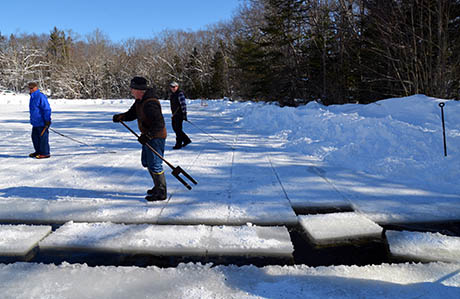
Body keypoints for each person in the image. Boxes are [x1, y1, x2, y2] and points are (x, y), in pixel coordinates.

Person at [112, 76, 168, 201]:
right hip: (148, 136)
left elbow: (159, 123)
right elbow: (132, 114)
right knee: (147, 162)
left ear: (139, 90)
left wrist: (148, 136)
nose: (131, 91)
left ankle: (161, 192)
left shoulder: (150, 103)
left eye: (132, 88)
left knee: (155, 164)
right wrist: (121, 117)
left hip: (156, 136)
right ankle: (157, 186)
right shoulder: (140, 101)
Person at [28, 82, 52, 159]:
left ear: (36, 88)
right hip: (35, 122)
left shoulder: (40, 96)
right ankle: (38, 151)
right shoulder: (32, 97)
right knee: (35, 137)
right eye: (29, 88)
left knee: (43, 138)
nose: (30, 89)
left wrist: (47, 120)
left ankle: (45, 153)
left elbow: (46, 109)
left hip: (42, 122)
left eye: (32, 88)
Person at [168, 81, 191, 149]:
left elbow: (183, 104)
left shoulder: (180, 94)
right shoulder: (172, 95)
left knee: (178, 129)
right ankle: (186, 140)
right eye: (171, 87)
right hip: (174, 114)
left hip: (179, 114)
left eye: (174, 87)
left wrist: (184, 114)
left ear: (177, 87)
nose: (172, 88)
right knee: (175, 128)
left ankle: (179, 143)